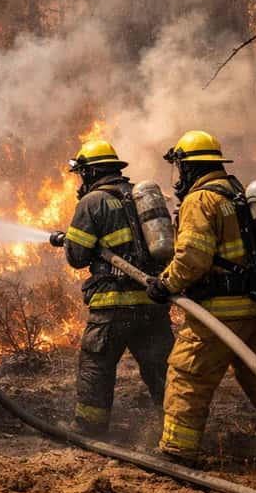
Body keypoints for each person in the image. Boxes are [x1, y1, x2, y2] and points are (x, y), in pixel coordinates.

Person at [147, 130, 256, 463]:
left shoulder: (200, 200)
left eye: (180, 167)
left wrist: (165, 284)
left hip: (219, 314)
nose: (179, 175)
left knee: (188, 375)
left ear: (189, 167)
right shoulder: (240, 193)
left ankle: (178, 449)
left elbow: (193, 257)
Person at [53, 140, 173, 436]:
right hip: (151, 302)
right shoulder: (140, 196)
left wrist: (71, 241)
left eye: (82, 174)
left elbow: (77, 257)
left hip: (112, 306)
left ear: (90, 172)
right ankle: (175, 427)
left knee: (97, 366)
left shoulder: (92, 202)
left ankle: (89, 427)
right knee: (161, 369)